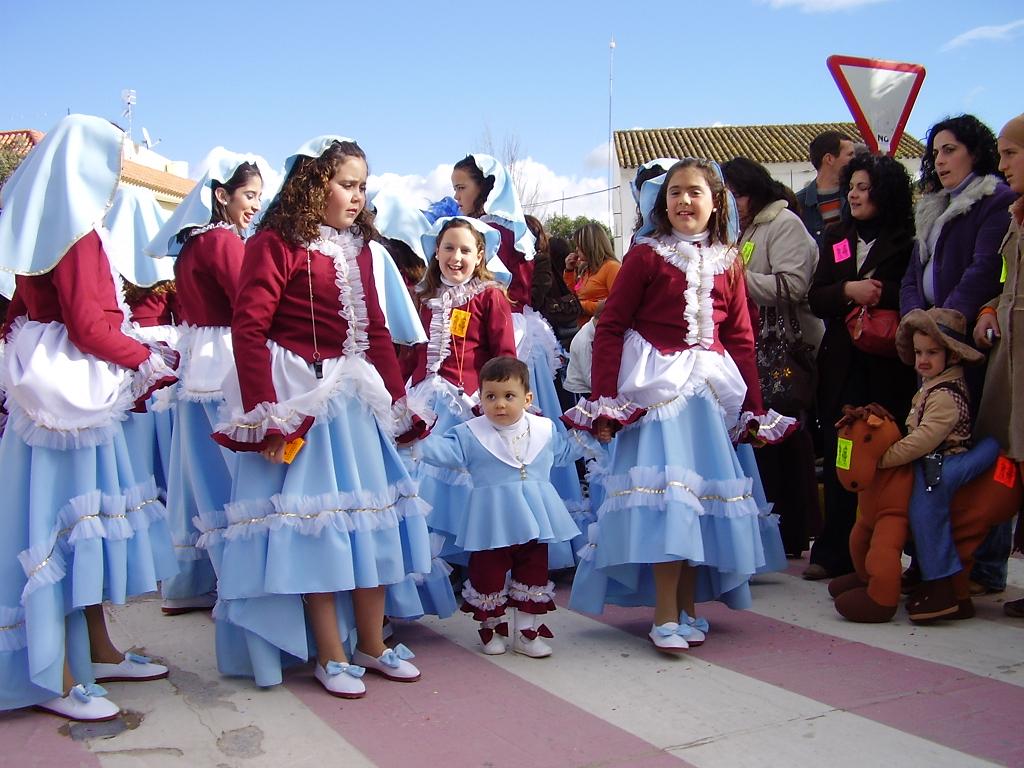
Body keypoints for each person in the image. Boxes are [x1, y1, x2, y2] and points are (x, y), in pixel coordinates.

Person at [207, 136, 433, 699]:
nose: (358, 196)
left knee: (374, 519)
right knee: (317, 528)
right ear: (315, 183)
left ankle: (371, 643)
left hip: (354, 400)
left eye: (362, 186)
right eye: (347, 184)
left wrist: (399, 402)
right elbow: (250, 329)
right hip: (300, 398)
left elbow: (375, 330)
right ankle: (330, 652)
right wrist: (265, 412)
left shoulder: (360, 247)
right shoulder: (275, 242)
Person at [564, 158, 794, 653]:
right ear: (661, 203)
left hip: (707, 401)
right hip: (657, 398)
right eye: (675, 193)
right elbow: (611, 326)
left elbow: (741, 339)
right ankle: (665, 613)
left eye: (695, 192)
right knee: (669, 502)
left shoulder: (728, 261)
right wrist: (606, 399)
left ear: (717, 203)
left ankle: (687, 608)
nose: (684, 201)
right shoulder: (646, 256)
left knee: (697, 507)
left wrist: (753, 409)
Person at [0, 115, 179, 721]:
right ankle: (61, 671)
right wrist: (147, 357)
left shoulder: (43, 229)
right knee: (64, 531)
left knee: (78, 527)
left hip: (56, 404)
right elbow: (87, 323)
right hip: (70, 407)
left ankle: (95, 650)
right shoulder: (73, 234)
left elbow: (22, 316)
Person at [900, 114, 1016, 593]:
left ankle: (985, 566)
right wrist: (914, 321)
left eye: (950, 150)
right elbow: (912, 276)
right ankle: (934, 557)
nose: (940, 160)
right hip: (932, 342)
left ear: (975, 152)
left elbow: (985, 267)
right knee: (937, 455)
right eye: (936, 152)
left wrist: (946, 322)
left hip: (969, 345)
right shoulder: (930, 206)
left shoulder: (995, 201)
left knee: (981, 450)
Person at [147, 150, 266, 616]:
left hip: (199, 363)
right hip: (225, 365)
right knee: (231, 474)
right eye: (249, 195)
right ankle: (237, 580)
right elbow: (251, 302)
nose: (255, 205)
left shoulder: (193, 242)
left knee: (195, 475)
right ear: (222, 194)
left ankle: (191, 578)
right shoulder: (223, 241)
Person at [452, 154, 586, 566]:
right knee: (528, 431)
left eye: (462, 187)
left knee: (503, 429)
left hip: (501, 329)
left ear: (485, 187)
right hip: (524, 326)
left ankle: (496, 541)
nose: (456, 196)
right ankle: (546, 533)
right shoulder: (519, 227)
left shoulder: (485, 232)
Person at [418, 356, 599, 657]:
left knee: (534, 571)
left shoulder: (543, 429)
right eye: (491, 397)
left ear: (527, 398)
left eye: (508, 396)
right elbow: (442, 451)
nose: (499, 404)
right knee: (487, 573)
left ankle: (528, 632)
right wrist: (413, 439)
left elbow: (566, 453)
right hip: (492, 519)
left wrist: (593, 430)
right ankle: (492, 628)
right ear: (482, 398)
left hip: (536, 518)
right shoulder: (470, 433)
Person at [805, 153, 919, 580]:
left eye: (864, 186)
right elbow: (816, 297)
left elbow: (915, 292)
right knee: (842, 451)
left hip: (888, 365)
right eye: (851, 185)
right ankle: (834, 550)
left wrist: (881, 292)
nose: (853, 193)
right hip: (841, 366)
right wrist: (849, 290)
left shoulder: (907, 241)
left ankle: (884, 549)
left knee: (885, 454)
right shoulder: (836, 236)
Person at [722, 157, 824, 558]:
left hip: (780, 348)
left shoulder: (783, 225)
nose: (732, 203)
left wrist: (732, 277)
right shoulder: (741, 230)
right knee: (761, 443)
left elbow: (793, 285)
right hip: (752, 348)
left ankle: (794, 531)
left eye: (736, 195)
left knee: (784, 438)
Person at [402, 216, 516, 570]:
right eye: (449, 247)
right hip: (424, 401)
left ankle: (473, 560)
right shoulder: (421, 297)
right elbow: (408, 352)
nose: (456, 256)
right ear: (435, 252)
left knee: (463, 481)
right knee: (422, 480)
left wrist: (497, 402)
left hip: (466, 405)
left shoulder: (489, 296)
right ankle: (433, 558)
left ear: (479, 255)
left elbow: (504, 357)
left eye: (466, 249)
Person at [878, 308, 993, 621]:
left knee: (925, 505)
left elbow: (925, 439)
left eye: (932, 353)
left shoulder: (944, 394)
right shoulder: (931, 385)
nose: (922, 360)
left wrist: (885, 458)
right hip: (933, 456)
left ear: (952, 356)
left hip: (946, 459)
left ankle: (941, 582)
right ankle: (923, 570)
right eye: (918, 352)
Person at [973, 113, 1024, 617]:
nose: (1003, 163)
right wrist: (991, 307)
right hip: (1011, 361)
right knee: (1012, 464)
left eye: (1011, 153)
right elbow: (1007, 282)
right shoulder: (1016, 216)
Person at [795, 131, 855, 246]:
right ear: (829, 159)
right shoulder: (799, 204)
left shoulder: (854, 197)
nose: (854, 159)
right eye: (850, 154)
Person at [564, 223, 620, 327]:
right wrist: (569, 271)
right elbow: (572, 296)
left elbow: (617, 304)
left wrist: (581, 306)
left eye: (579, 245)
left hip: (602, 331)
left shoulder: (611, 267)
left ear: (589, 245)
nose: (576, 249)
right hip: (584, 331)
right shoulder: (586, 270)